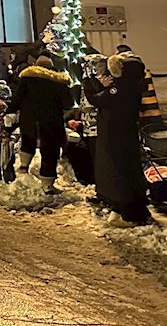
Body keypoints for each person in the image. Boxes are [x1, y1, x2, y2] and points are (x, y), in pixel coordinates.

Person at [83, 49, 151, 224]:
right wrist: (103, 87)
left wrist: (89, 83)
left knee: (118, 170)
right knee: (119, 169)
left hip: (116, 137)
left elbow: (98, 100)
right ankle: (118, 203)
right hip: (122, 135)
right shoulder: (129, 86)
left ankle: (127, 211)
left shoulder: (121, 88)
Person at [12, 53, 73, 192]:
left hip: (29, 119)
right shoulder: (59, 81)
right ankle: (47, 184)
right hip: (51, 121)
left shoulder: (27, 78)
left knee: (28, 142)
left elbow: (17, 98)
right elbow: (68, 103)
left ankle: (23, 168)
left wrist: (11, 111)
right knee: (50, 151)